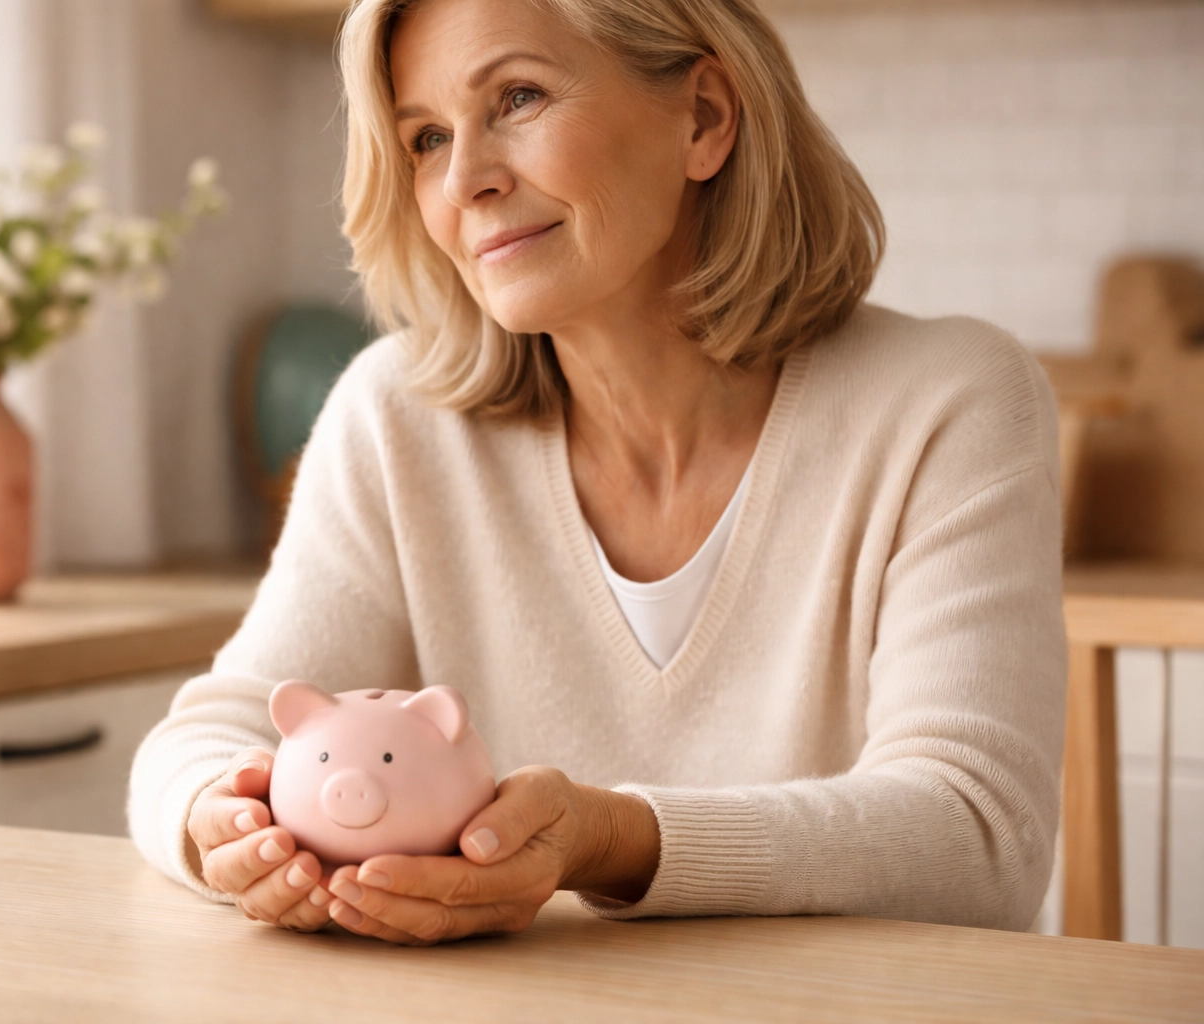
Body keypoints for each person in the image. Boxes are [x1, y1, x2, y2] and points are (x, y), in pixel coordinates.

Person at [128, 0, 1065, 945]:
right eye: (426, 139)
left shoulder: (950, 399)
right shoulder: (396, 418)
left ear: (702, 117)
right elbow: (208, 740)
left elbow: (977, 836)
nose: (466, 180)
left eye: (519, 98)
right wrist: (228, 828)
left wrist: (612, 839)